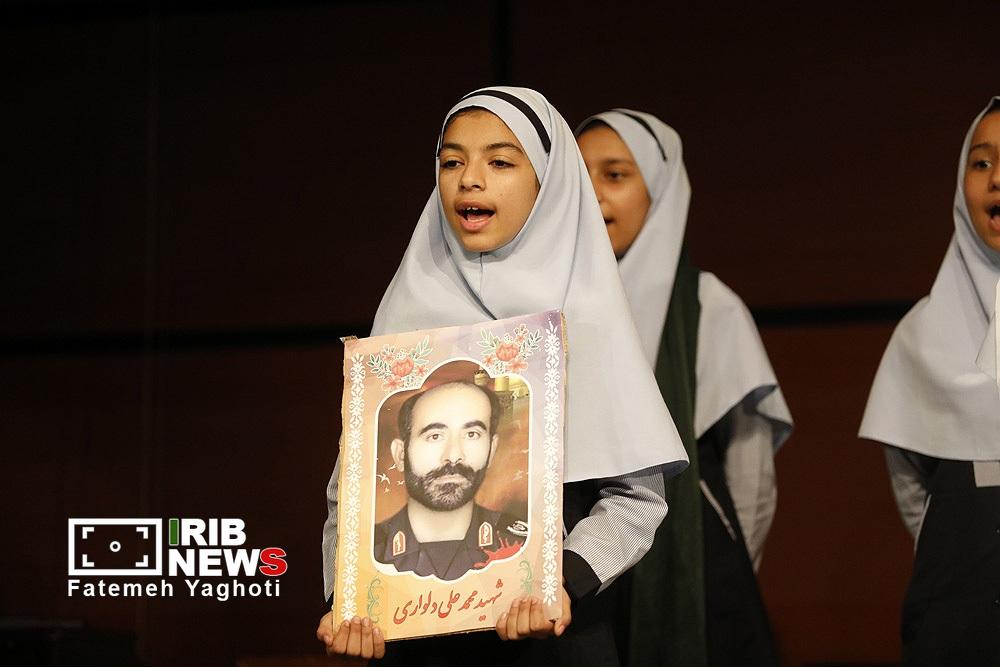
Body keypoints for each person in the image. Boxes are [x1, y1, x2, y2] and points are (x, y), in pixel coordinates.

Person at [316, 87, 689, 665]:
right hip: (420, 642)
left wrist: (560, 580)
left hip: (556, 641)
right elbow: (353, 492)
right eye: (452, 161)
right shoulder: (408, 311)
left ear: (546, 183)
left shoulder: (587, 318)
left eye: (500, 162)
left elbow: (637, 503)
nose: (470, 179)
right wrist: (346, 601)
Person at [576, 110, 793, 667]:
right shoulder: (549, 307)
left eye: (615, 175)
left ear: (661, 191)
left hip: (696, 562)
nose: (593, 193)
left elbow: (750, 472)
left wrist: (718, 571)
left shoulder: (709, 305)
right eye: (579, 175)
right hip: (578, 562)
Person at [860, 97, 1000, 666]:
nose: (997, 179)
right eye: (981, 162)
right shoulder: (922, 331)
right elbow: (912, 488)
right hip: (957, 612)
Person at [374, 379, 526, 580]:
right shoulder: (368, 551)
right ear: (400, 454)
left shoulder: (522, 545)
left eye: (472, 434)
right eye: (435, 436)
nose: (453, 456)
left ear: (491, 450)